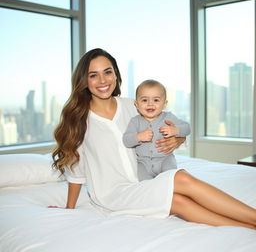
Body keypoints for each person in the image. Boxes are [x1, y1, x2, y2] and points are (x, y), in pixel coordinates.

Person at [50, 48, 256, 230]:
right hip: (113, 195)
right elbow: (76, 169)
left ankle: (251, 227)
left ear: (115, 74)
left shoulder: (134, 105)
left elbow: (169, 125)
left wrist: (178, 138)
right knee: (181, 178)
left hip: (144, 180)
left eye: (108, 71)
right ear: (84, 81)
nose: (103, 81)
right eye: (93, 75)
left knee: (180, 202)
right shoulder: (80, 120)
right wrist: (69, 208)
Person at [123, 79, 190, 181]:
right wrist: (138, 137)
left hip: (165, 159)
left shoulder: (168, 117)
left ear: (164, 104)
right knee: (143, 183)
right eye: (145, 100)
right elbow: (126, 140)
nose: (150, 104)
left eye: (156, 100)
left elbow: (187, 127)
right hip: (143, 163)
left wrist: (175, 130)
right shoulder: (135, 121)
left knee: (171, 177)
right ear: (136, 104)